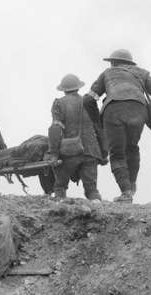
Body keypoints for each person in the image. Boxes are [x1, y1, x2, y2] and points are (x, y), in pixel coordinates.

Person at [86, 49, 151, 203]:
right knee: (132, 148)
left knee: (117, 153)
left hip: (113, 111)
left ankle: (126, 192)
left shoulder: (107, 73)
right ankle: (131, 187)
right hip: (138, 110)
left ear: (113, 62)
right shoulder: (142, 74)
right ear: (129, 63)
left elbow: (88, 100)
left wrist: (98, 122)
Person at [47, 74, 104, 202]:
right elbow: (100, 128)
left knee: (60, 187)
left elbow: (55, 129)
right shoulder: (89, 103)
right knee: (92, 190)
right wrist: (103, 153)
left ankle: (60, 208)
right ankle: (97, 208)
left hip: (70, 152)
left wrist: (54, 154)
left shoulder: (59, 104)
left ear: (64, 89)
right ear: (78, 87)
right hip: (91, 151)